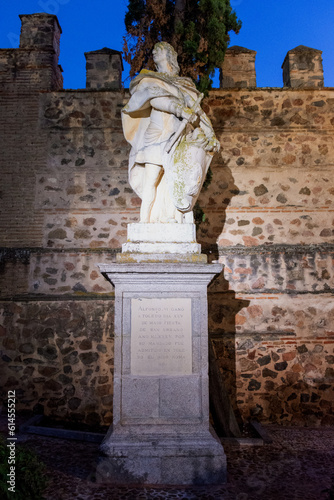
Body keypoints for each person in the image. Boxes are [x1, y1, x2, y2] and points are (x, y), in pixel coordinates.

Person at [122, 42, 219, 223]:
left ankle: (176, 218)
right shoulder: (149, 80)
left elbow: (198, 112)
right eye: (154, 49)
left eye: (160, 49)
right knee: (151, 179)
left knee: (174, 179)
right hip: (156, 135)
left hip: (178, 136)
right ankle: (145, 223)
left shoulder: (184, 84)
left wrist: (209, 132)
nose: (154, 51)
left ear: (169, 55)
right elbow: (155, 100)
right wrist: (180, 110)